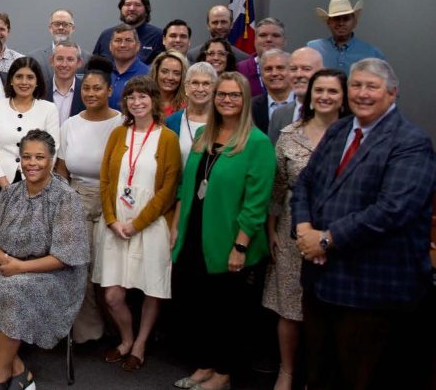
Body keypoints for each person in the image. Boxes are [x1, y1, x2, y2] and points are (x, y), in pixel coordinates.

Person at [292, 59, 435, 389]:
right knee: (317, 374)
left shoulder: (411, 142)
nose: (362, 94)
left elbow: (392, 210)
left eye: (372, 86)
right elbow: (304, 184)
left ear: (392, 93)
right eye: (356, 85)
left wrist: (326, 239)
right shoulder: (340, 130)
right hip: (321, 281)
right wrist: (303, 230)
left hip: (370, 291)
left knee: (361, 379)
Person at [170, 72, 276, 390]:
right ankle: (204, 364)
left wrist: (240, 245)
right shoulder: (204, 134)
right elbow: (186, 187)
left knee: (229, 312)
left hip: (229, 240)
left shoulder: (257, 143)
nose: (226, 100)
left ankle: (224, 372)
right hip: (194, 234)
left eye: (234, 95)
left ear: (245, 101)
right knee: (198, 305)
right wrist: (176, 226)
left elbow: (257, 202)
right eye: (222, 95)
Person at [0, 129, 89, 389]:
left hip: (52, 274)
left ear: (52, 159)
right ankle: (18, 368)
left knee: (14, 295)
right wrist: (7, 261)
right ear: (19, 159)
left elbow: (66, 256)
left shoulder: (66, 198)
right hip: (7, 265)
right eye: (27, 157)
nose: (32, 163)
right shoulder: (9, 193)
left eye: (40, 157)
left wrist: (21, 268)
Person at [263, 69, 349, 390]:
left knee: (326, 309)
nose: (325, 96)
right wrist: (270, 230)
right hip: (289, 226)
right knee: (289, 305)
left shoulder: (354, 135)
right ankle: (286, 371)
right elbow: (277, 186)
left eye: (333, 91)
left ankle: (317, 376)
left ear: (344, 97)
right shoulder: (289, 134)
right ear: (310, 95)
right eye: (319, 90)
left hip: (336, 230)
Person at [93, 76, 181, 373]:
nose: (137, 102)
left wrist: (138, 223)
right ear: (125, 103)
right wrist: (112, 219)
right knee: (113, 295)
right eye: (131, 97)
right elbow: (105, 180)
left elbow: (169, 187)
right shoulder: (119, 134)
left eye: (143, 96)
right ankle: (126, 339)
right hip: (117, 223)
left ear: (154, 101)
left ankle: (140, 344)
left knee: (151, 287)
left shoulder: (167, 138)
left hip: (151, 223)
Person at [53, 69, 122, 344]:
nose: (91, 94)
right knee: (79, 267)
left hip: (113, 201)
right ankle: (87, 333)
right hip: (77, 198)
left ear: (109, 91)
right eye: (86, 89)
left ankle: (117, 330)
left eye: (97, 88)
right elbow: (61, 169)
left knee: (106, 269)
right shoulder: (71, 124)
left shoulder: (121, 124)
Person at [0, 56, 60, 232]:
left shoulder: (48, 109)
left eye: (30, 77)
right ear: (11, 81)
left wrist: (35, 183)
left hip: (37, 184)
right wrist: (5, 186)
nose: (24, 82)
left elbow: (53, 149)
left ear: (37, 81)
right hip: (0, 183)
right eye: (19, 76)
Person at [307, 0, 385, 73]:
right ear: (328, 23)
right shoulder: (313, 48)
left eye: (346, 19)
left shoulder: (372, 54)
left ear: (355, 22)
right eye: (336, 18)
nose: (341, 23)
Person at [165, 62, 218, 170]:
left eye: (206, 84)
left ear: (215, 88)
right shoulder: (171, 122)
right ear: (186, 87)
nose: (200, 89)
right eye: (195, 83)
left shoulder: (224, 121)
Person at [92, 0, 164, 64]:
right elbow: (93, 67)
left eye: (137, 5)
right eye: (127, 4)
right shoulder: (106, 35)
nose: (132, 8)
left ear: (146, 9)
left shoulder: (158, 36)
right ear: (121, 8)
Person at [268, 47, 323, 144]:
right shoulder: (279, 114)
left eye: (306, 69)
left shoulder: (332, 114)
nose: (298, 75)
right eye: (293, 69)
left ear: (322, 73)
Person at [27, 8, 92, 78]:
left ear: (73, 28)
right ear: (50, 28)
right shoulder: (35, 58)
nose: (61, 27)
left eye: (65, 24)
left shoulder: (88, 59)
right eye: (56, 24)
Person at [236, 17, 287, 97]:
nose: (269, 39)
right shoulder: (239, 70)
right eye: (263, 35)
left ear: (284, 41)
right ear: (255, 40)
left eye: (275, 35)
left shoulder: (295, 68)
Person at [108, 24, 151, 110]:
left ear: (138, 46)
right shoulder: (103, 72)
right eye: (118, 40)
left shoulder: (149, 74)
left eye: (128, 40)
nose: (123, 45)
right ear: (110, 46)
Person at [186, 6, 251, 63]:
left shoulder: (243, 59)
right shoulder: (193, 56)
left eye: (223, 22)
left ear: (231, 25)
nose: (219, 27)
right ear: (208, 25)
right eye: (215, 22)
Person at [250, 48, 293, 134]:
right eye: (268, 69)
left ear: (291, 71)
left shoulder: (307, 104)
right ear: (261, 74)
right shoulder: (250, 107)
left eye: (280, 68)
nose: (274, 73)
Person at [44, 42, 85, 125]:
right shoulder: (39, 91)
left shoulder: (86, 92)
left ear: (79, 63)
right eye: (59, 59)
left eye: (70, 59)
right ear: (51, 61)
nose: (64, 64)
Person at [151, 50, 188, 117]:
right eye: (165, 72)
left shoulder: (187, 106)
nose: (170, 77)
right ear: (156, 72)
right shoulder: (143, 101)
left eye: (176, 73)